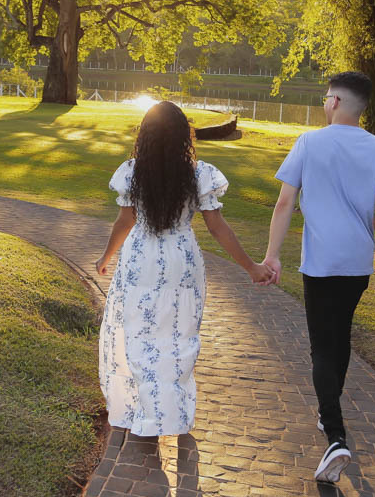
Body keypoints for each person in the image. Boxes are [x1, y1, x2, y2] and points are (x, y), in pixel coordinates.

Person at [261, 71, 375, 483]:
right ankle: (330, 410)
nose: (324, 104)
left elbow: (285, 203)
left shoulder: (309, 142)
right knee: (339, 336)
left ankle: (335, 435)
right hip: (358, 263)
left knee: (322, 348)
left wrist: (272, 255)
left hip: (322, 263)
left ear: (336, 102)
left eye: (326, 98)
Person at [94, 100, 275, 438]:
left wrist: (106, 257)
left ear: (145, 136)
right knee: (178, 337)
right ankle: (172, 414)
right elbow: (218, 228)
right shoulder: (198, 175)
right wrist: (251, 267)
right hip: (181, 260)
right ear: (183, 136)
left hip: (141, 259)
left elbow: (124, 222)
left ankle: (146, 412)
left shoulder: (133, 173)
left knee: (140, 334)